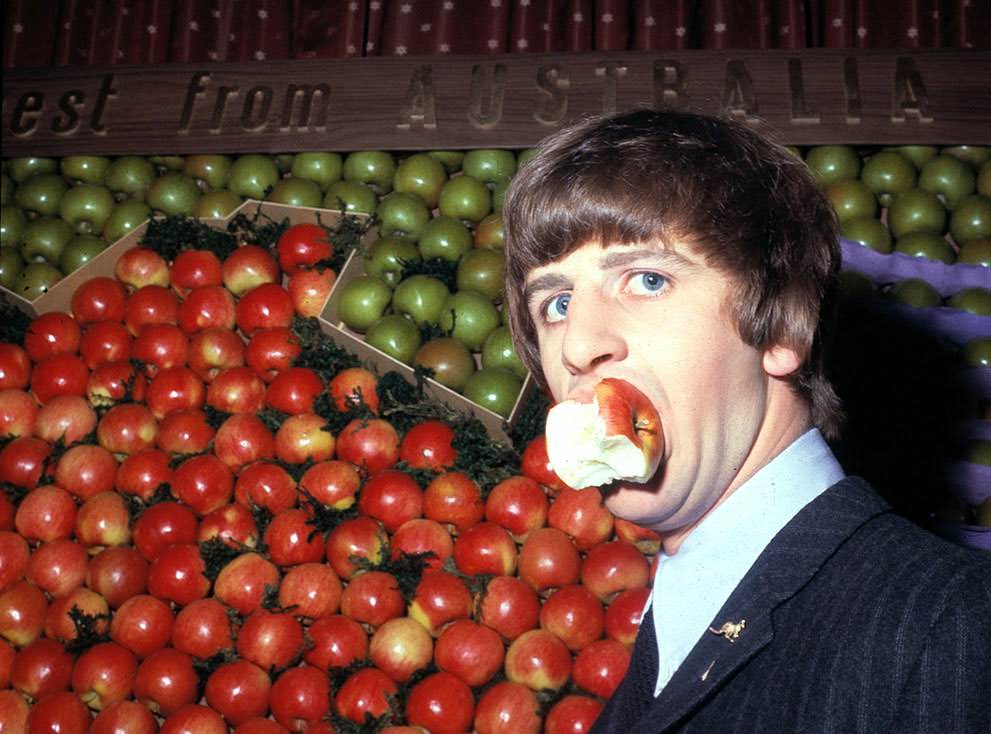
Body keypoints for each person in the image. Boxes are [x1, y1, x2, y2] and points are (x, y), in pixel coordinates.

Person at [502, 108, 991, 734]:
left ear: (783, 327)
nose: (576, 344)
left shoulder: (952, 628)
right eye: (557, 302)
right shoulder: (673, 626)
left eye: (646, 279)